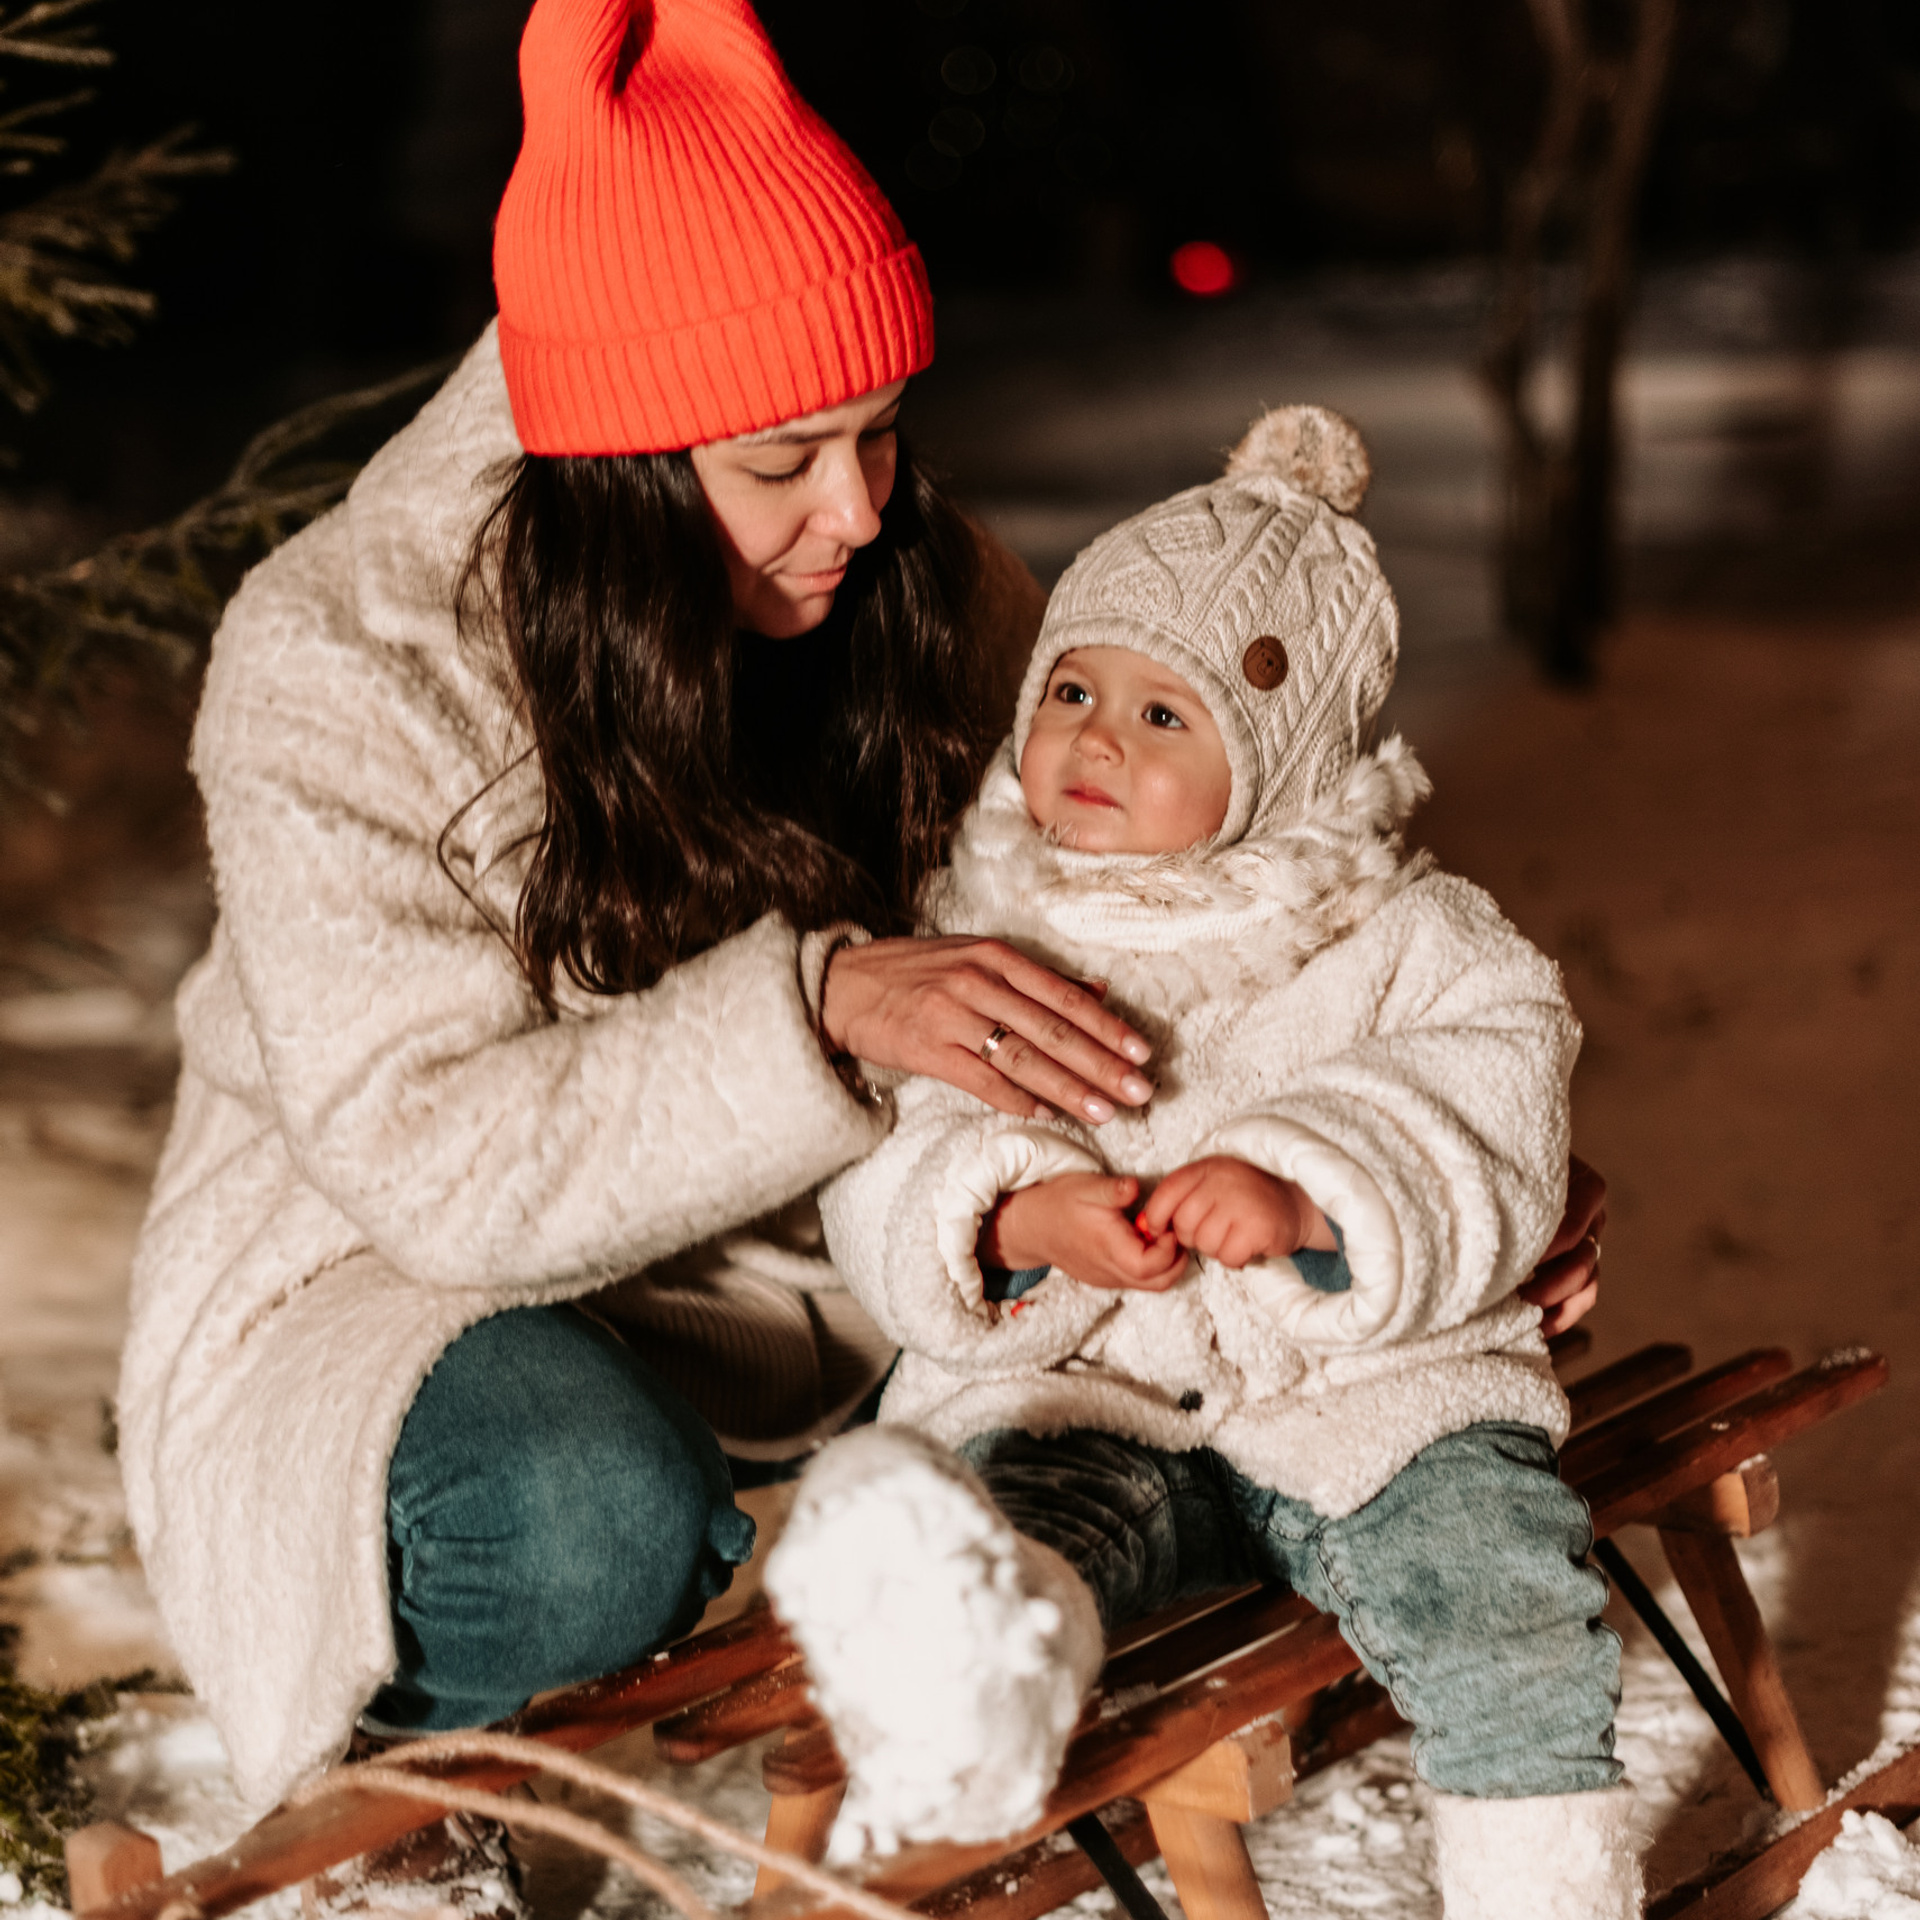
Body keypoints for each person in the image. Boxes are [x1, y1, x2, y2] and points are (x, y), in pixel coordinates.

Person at [117, 0, 1603, 1899]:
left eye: (885, 430)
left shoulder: (908, 583)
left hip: (860, 1265)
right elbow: (435, 1168)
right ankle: (410, 1829)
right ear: (619, 469)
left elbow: (1172, 920)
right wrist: (820, 1010)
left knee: (1157, 1441)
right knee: (583, 1503)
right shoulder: (341, 662)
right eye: (785, 460)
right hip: (397, 1292)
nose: (864, 506)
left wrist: (1440, 1164)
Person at [768, 408, 1639, 1920]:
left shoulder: (1415, 939)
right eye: (1076, 688)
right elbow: (896, 1149)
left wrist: (1311, 1192)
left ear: (1284, 757)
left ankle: (1544, 1891)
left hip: (1378, 1403)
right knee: (1009, 1525)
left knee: (1503, 1597)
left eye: (1168, 716)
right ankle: (959, 1685)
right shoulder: (973, 929)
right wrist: (1022, 1218)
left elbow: (1491, 1089)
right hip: (1086, 1394)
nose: (1098, 737)